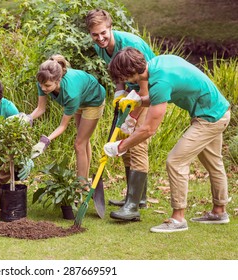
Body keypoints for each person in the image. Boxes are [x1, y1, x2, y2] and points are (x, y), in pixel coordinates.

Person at [104, 47, 231, 233]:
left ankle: (178, 218)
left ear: (131, 72)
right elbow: (155, 98)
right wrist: (137, 102)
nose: (124, 81)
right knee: (214, 163)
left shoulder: (160, 81)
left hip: (210, 118)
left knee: (175, 161)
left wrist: (120, 146)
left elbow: (148, 129)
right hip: (218, 110)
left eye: (124, 77)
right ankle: (219, 212)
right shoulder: (158, 64)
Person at [85, 9, 156, 221]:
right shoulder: (102, 47)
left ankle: (133, 206)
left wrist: (133, 117)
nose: (100, 38)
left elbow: (145, 81)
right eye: (95, 35)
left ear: (110, 27)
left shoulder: (129, 44)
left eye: (103, 33)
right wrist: (119, 92)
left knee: (137, 143)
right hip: (131, 91)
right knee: (125, 143)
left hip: (150, 90)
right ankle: (135, 198)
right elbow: (118, 72)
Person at [27, 54, 106, 185]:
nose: (43, 88)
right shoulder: (43, 80)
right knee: (83, 141)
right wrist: (27, 118)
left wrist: (45, 141)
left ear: (58, 81)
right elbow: (40, 109)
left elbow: (62, 126)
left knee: (79, 144)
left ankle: (81, 186)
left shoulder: (71, 93)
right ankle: (85, 182)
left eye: (47, 86)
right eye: (41, 85)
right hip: (80, 97)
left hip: (93, 100)